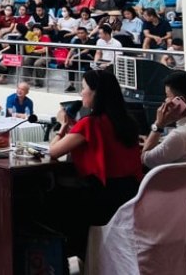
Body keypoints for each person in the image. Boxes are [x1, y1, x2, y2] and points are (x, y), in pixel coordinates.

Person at [45, 70, 143, 258]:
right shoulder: (128, 122)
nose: (81, 93)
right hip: (128, 195)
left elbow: (53, 151)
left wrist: (62, 126)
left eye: (84, 88)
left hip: (100, 198)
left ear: (96, 93)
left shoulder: (89, 123)